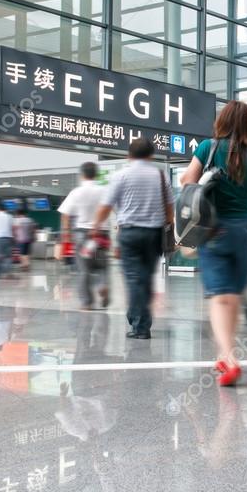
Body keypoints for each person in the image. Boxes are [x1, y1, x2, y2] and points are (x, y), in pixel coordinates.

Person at [179, 100, 247, 387]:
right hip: (246, 232)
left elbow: (188, 182)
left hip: (215, 230)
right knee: (234, 297)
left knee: (219, 297)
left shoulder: (207, 148)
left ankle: (230, 357)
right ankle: (223, 354)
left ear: (223, 122)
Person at [93, 138, 172, 341]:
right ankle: (137, 318)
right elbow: (170, 209)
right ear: (151, 155)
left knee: (134, 279)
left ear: (129, 155)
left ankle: (140, 326)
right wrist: (167, 224)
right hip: (154, 233)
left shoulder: (121, 175)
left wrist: (95, 227)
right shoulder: (160, 176)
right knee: (145, 278)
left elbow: (106, 206)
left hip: (129, 233)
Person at [59, 162, 109, 310]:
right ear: (96, 174)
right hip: (101, 234)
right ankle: (103, 285)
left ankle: (87, 302)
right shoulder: (104, 190)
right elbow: (111, 210)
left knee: (84, 269)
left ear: (82, 175)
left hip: (82, 234)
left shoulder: (76, 192)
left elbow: (65, 215)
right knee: (103, 266)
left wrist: (66, 234)